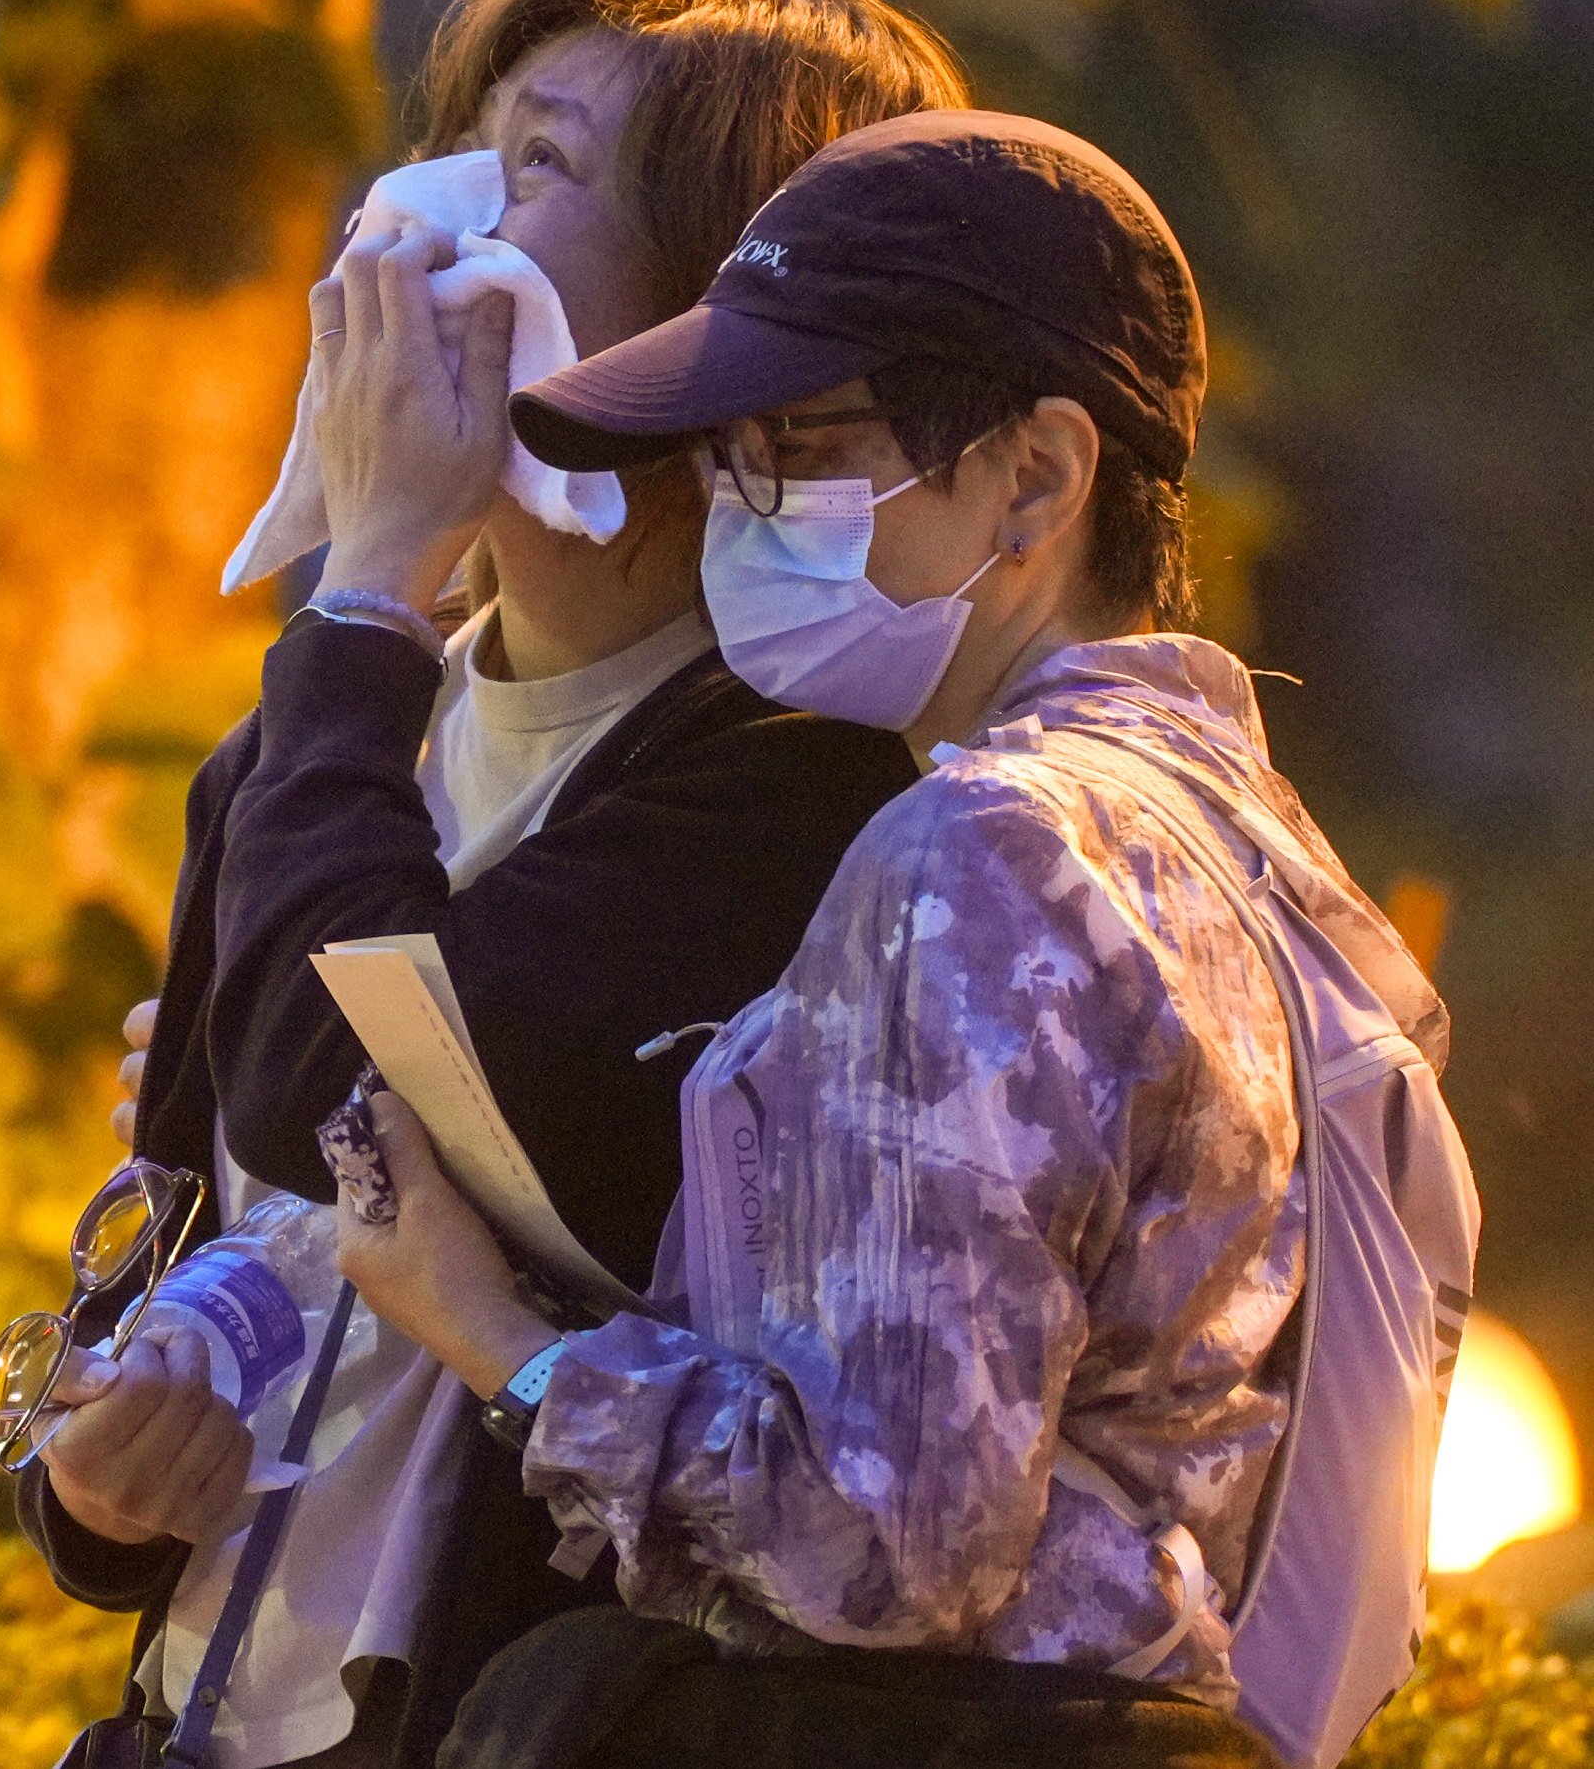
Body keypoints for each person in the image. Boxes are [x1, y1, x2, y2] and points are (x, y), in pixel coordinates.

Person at [330, 110, 1459, 1768]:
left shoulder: (981, 848)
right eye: (725, 458)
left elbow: (886, 1545)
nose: (735, 507)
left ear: (1041, 475)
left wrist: (496, 1339)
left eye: (801, 444)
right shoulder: (1257, 848)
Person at [18, 0, 964, 1769]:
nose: (423, 225)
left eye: (539, 167)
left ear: (725, 305)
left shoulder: (779, 803)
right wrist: (106, 1475)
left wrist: (368, 576)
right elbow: (185, 1229)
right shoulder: (303, 751)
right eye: (465, 146)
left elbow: (329, 1095)